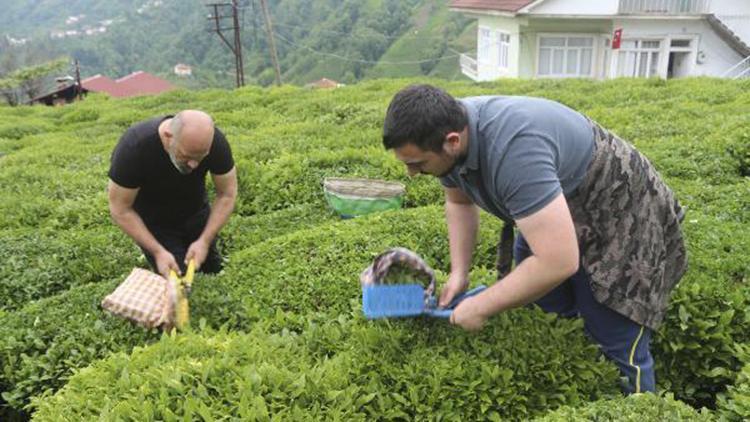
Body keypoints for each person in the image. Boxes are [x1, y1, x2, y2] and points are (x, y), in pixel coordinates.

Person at [382, 84, 687, 394]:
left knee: (614, 334)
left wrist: (482, 306)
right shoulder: (446, 129)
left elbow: (556, 261)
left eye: (417, 164)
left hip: (620, 212)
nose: (412, 174)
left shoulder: (514, 152)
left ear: (452, 142)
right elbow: (459, 201)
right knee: (550, 308)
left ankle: (637, 404)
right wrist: (460, 274)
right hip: (552, 208)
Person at [108, 110, 237, 279]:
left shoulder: (214, 143)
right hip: (155, 224)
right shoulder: (134, 148)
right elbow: (120, 209)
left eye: (201, 157)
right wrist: (157, 251)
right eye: (187, 156)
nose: (194, 164)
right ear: (169, 137)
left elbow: (227, 193)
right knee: (178, 280)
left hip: (196, 212)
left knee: (212, 271)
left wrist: (205, 240)